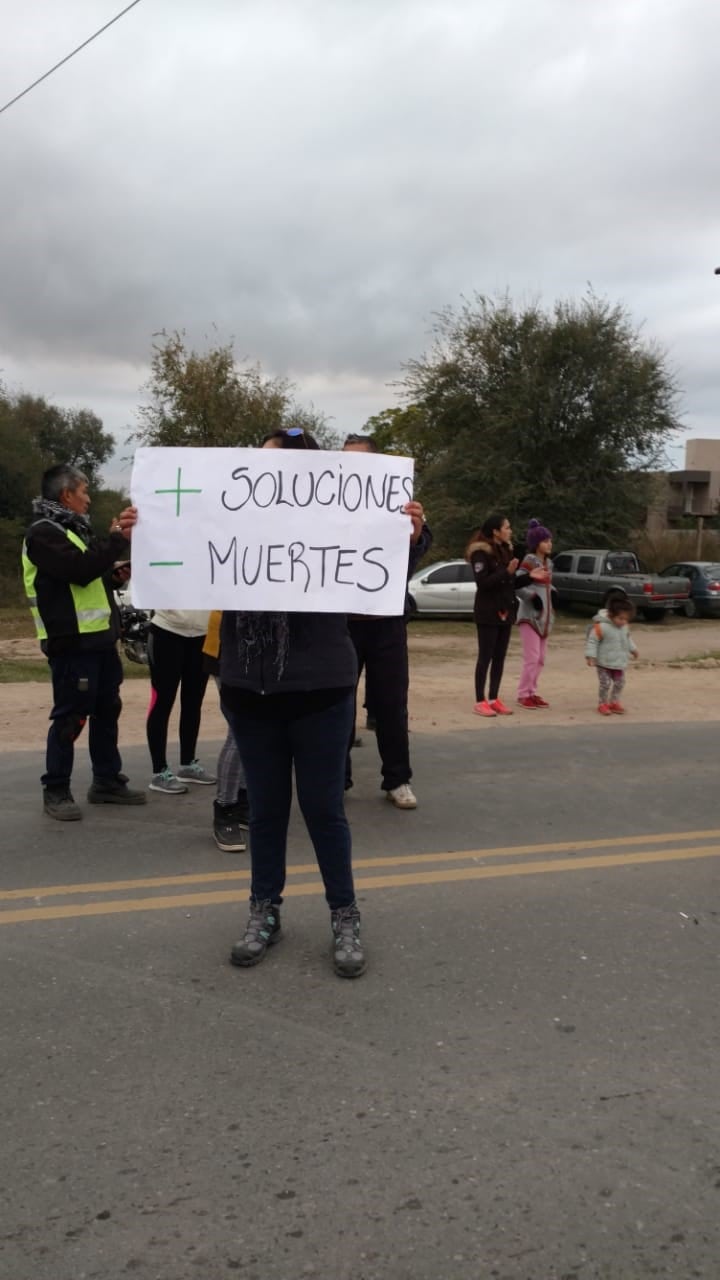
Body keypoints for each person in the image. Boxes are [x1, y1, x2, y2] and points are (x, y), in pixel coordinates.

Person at [220, 426, 365, 978]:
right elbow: (183, 550)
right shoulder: (229, 521)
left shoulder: (333, 523)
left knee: (324, 809)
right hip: (247, 688)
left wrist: (412, 533)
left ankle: (344, 913)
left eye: (274, 463)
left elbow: (383, 549)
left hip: (321, 688)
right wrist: (147, 530)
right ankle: (265, 910)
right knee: (266, 811)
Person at [21, 463, 146, 820]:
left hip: (99, 641)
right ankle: (56, 788)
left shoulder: (73, 529)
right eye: (84, 492)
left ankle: (106, 780)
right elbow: (78, 572)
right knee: (71, 716)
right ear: (66, 495)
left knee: (108, 710)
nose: (88, 499)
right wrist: (118, 539)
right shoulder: (42, 534)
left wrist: (113, 574)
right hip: (71, 644)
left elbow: (90, 574)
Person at [341, 432, 432, 810]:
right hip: (341, 623)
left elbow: (416, 549)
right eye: (346, 460)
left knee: (392, 703)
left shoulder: (400, 503)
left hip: (386, 622)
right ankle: (336, 777)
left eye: (360, 459)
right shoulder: (327, 505)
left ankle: (398, 779)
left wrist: (414, 534)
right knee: (337, 703)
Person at [146, 610, 216, 793]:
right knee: (162, 702)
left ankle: (188, 764)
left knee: (194, 702)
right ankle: (159, 771)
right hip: (167, 630)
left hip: (202, 633)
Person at [203, 610, 249, 852]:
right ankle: (225, 808)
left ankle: (242, 802)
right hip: (228, 643)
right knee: (239, 731)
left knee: (253, 730)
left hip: (263, 644)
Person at [467, 514, 519, 717]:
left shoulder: (506, 550)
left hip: (505, 611)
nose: (510, 530)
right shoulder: (480, 552)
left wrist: (531, 577)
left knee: (500, 657)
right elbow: (483, 583)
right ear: (496, 531)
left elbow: (510, 583)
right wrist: (506, 572)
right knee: (485, 657)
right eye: (507, 527)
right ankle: (480, 701)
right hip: (487, 612)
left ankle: (494, 698)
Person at [515, 518, 555, 708]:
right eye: (545, 541)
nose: (549, 544)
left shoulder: (550, 563)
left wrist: (552, 594)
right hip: (529, 617)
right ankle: (523, 694)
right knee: (531, 657)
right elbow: (518, 584)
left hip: (545, 618)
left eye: (550, 541)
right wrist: (532, 597)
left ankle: (532, 691)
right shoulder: (529, 561)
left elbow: (547, 586)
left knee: (541, 658)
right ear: (536, 543)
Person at [585, 594, 638, 715]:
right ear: (610, 615)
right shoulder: (601, 627)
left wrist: (634, 650)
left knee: (620, 683)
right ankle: (602, 704)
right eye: (620, 618)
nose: (623, 621)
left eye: (626, 619)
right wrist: (590, 657)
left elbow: (628, 639)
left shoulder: (624, 627)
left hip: (619, 663)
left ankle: (614, 702)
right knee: (605, 684)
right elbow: (592, 642)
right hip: (603, 663)